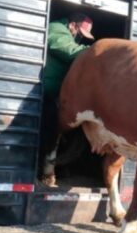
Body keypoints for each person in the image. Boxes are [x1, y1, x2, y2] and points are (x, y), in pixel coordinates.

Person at [39, 12, 95, 187]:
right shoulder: (56, 29)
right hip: (43, 92)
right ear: (73, 25)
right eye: (80, 34)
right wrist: (96, 51)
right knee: (48, 128)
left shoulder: (67, 33)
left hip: (54, 93)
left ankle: (53, 169)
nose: (80, 38)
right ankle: (41, 172)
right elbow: (69, 51)